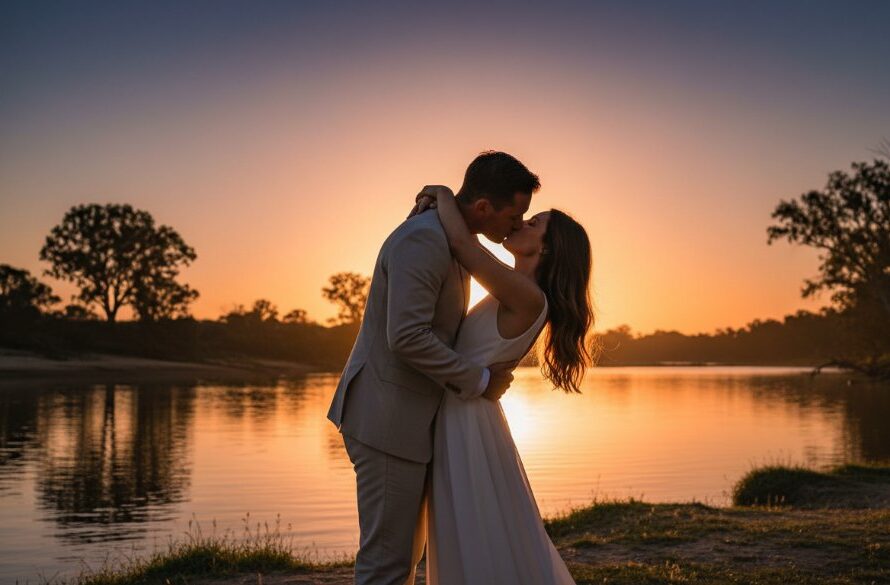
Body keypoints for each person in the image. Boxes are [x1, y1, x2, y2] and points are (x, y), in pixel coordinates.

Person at [326, 151, 541, 585]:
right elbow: (406, 336)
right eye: (515, 214)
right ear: (483, 208)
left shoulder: (454, 237)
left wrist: (440, 192)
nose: (517, 224)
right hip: (387, 418)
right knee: (387, 562)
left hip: (410, 420)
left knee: (404, 556)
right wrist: (480, 381)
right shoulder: (424, 239)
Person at [412, 184, 596, 585]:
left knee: (475, 527)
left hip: (468, 421)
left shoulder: (527, 295)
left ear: (544, 250)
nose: (520, 224)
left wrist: (443, 192)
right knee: (474, 526)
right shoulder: (514, 286)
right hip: (466, 412)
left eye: (533, 223)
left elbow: (463, 245)